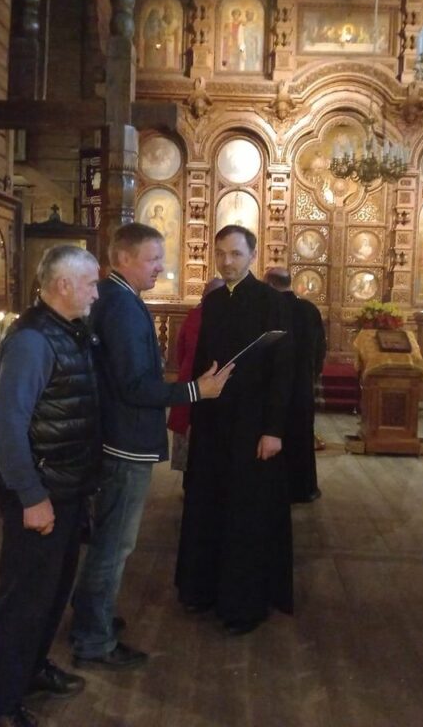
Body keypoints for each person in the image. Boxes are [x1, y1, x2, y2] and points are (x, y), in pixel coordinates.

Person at [70, 223, 232, 670]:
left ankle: (92, 616)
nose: (160, 266)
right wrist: (196, 391)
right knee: (114, 544)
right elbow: (135, 385)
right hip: (124, 441)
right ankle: (93, 638)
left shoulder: (118, 298)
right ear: (123, 259)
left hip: (118, 436)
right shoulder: (122, 306)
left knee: (109, 541)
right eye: (153, 258)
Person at [0, 245, 102, 727]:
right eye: (91, 283)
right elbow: (6, 427)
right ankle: (1, 708)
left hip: (66, 488)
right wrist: (32, 497)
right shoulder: (32, 340)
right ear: (63, 285)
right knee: (24, 602)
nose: (96, 293)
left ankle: (30, 672)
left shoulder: (67, 331)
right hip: (40, 493)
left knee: (50, 595)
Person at [175, 225, 294, 635]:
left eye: (236, 254)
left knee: (245, 513)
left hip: (252, 426)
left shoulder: (270, 302)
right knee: (207, 503)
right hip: (212, 423)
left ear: (253, 256)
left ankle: (243, 605)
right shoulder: (212, 301)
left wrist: (273, 429)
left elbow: (283, 370)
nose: (227, 262)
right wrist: (193, 415)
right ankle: (202, 589)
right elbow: (200, 364)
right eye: (221, 254)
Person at [264, 267, 326, 503]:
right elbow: (320, 348)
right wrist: (311, 374)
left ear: (270, 284)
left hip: (272, 385)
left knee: (274, 432)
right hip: (302, 385)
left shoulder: (270, 308)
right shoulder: (309, 309)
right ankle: (304, 488)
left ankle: (273, 490)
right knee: (301, 436)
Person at [168, 277, 226, 473]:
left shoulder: (193, 315)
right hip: (213, 386)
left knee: (189, 449)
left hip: (188, 382)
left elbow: (180, 350)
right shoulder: (226, 318)